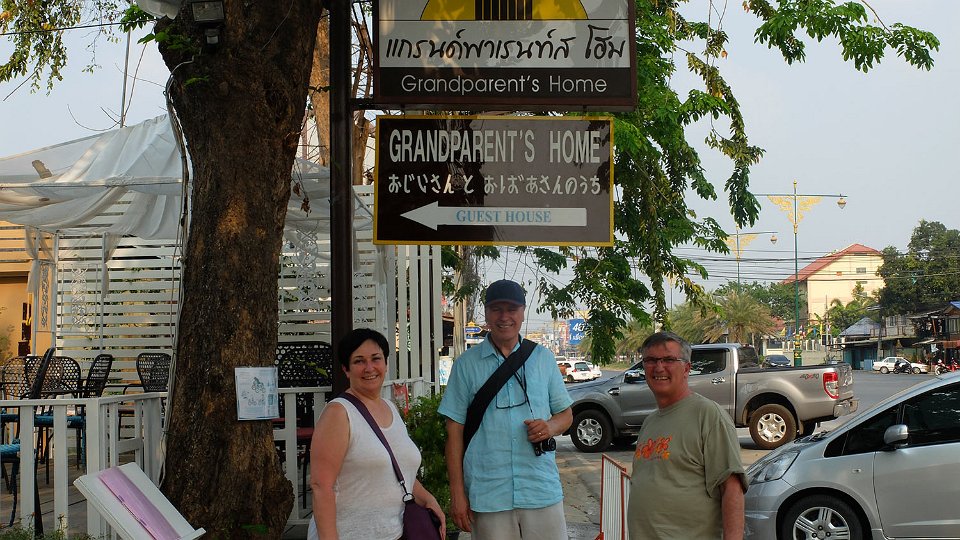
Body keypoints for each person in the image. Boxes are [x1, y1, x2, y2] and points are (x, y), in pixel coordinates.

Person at [439, 279, 573, 539]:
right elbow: (454, 431)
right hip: (488, 493)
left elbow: (566, 414)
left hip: (540, 489)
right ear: (486, 313)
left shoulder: (543, 359)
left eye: (512, 309)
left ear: (522, 312)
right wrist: (457, 493)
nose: (504, 317)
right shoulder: (466, 364)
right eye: (496, 309)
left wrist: (549, 427)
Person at [308, 328, 445, 540]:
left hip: (396, 533)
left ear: (386, 363)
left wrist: (428, 499)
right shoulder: (339, 413)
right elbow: (321, 487)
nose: (369, 368)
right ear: (346, 369)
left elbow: (398, 470)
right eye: (359, 361)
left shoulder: (390, 408)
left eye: (376, 358)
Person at [627, 331, 746, 540]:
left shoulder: (708, 415)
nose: (659, 367)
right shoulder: (649, 422)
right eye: (651, 360)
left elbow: (732, 489)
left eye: (668, 360)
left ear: (687, 368)